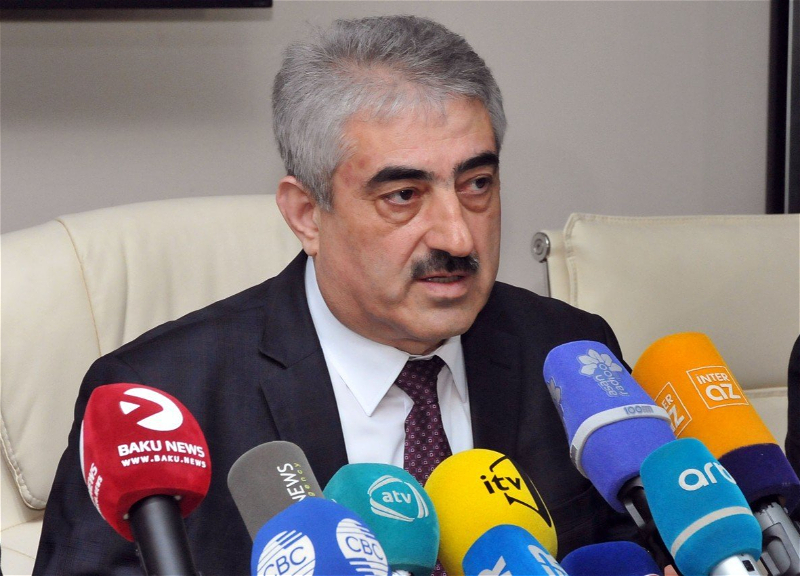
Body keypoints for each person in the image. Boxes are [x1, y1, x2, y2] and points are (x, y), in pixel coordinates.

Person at [33, 15, 635, 575]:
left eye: (477, 183)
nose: (457, 236)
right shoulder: (160, 400)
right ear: (306, 215)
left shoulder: (570, 354)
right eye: (403, 196)